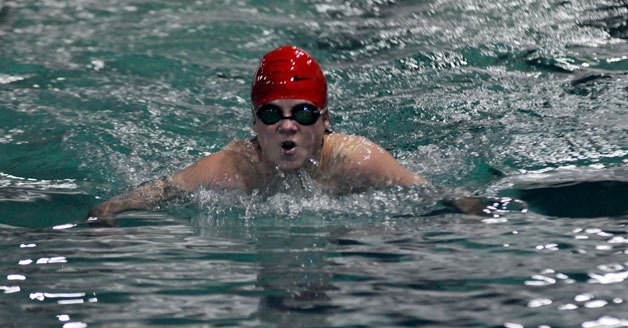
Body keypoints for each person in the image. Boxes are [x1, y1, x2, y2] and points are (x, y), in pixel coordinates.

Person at [87, 45, 487, 226]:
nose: (288, 124)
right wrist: (106, 217)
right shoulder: (233, 167)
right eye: (271, 113)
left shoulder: (358, 160)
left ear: (325, 122)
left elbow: (441, 196)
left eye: (304, 112)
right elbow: (145, 196)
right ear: (255, 125)